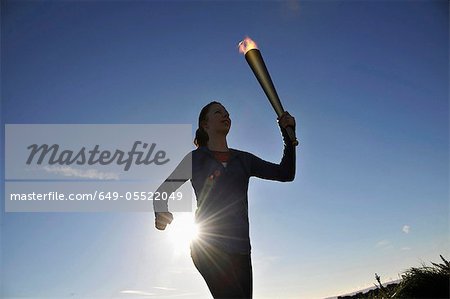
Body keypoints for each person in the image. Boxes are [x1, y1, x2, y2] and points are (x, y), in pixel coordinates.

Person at [154, 101, 296, 299]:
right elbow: (162, 192)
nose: (225, 115)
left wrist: (288, 136)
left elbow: (285, 173)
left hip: (241, 251)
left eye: (227, 113)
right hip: (208, 248)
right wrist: (161, 210)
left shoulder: (244, 159)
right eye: (218, 112)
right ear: (205, 124)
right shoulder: (195, 159)